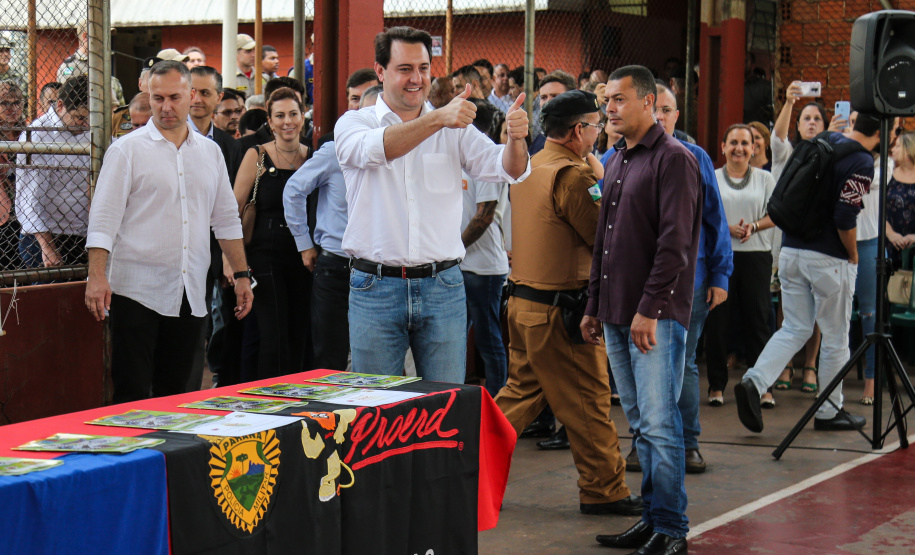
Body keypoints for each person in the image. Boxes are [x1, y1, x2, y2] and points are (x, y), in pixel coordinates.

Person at [334, 26, 530, 382]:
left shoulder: (454, 127)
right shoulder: (354, 123)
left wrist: (517, 139)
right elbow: (378, 148)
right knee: (376, 411)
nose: (416, 79)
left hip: (443, 287)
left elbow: (507, 169)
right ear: (380, 72)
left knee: (444, 410)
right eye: (405, 68)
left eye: (423, 68)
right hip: (375, 288)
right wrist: (438, 117)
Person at [494, 89, 641, 515]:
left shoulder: (532, 166)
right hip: (561, 312)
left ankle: (458, 463)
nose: (600, 132)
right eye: (595, 126)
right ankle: (605, 490)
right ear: (578, 131)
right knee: (589, 401)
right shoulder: (572, 176)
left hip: (525, 305)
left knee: (519, 394)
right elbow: (606, 238)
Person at [84, 60, 253, 403]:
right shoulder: (126, 151)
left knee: (177, 395)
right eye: (157, 98)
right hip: (135, 290)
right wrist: (96, 276)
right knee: (131, 392)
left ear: (190, 95)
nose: (165, 106)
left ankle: (171, 459)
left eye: (174, 97)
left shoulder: (210, 153)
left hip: (189, 290)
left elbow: (225, 218)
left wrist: (242, 274)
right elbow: (103, 219)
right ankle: (132, 457)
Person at [584, 65, 700, 554]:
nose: (609, 107)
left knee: (658, 422)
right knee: (640, 422)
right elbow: (603, 243)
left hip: (652, 316)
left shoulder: (674, 160)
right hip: (614, 311)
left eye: (620, 99)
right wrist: (594, 305)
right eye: (607, 99)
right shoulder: (615, 159)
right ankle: (651, 518)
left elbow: (675, 246)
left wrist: (649, 309)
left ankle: (671, 528)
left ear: (649, 102)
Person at [734, 114, 880, 434]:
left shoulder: (825, 139)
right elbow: (845, 215)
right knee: (835, 336)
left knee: (794, 328)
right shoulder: (861, 160)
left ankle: (754, 382)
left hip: (791, 250)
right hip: (828, 259)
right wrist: (853, 254)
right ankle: (829, 410)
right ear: (882, 131)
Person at [626, 82, 731, 476]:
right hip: (634, 288)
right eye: (655, 111)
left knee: (680, 366)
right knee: (642, 372)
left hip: (689, 283)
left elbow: (715, 221)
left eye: (667, 111)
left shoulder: (694, 157)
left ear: (676, 115)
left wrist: (719, 274)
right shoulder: (621, 155)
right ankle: (645, 444)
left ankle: (687, 443)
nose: (660, 118)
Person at [769, 83, 847, 393]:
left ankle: (810, 365)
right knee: (786, 307)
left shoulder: (832, 154)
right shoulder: (786, 154)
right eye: (806, 118)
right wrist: (789, 102)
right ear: (798, 126)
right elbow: (777, 138)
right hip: (783, 243)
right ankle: (786, 364)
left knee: (814, 307)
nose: (812, 122)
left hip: (817, 244)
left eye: (817, 118)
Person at [230, 87, 311, 378]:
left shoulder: (313, 156)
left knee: (300, 332)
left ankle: (299, 402)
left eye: (293, 114)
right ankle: (270, 404)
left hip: (304, 256)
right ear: (270, 120)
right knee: (273, 333)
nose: (287, 121)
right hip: (265, 254)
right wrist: (232, 261)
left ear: (303, 117)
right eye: (280, 116)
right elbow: (233, 208)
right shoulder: (258, 156)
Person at [702, 124, 777, 409]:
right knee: (718, 322)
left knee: (758, 321)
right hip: (721, 257)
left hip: (756, 255)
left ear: (754, 148)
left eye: (745, 143)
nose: (739, 148)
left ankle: (762, 385)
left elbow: (777, 214)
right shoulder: (712, 177)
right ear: (722, 147)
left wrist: (754, 227)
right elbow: (703, 214)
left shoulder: (765, 178)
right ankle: (717, 384)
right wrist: (725, 229)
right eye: (733, 142)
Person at [461, 99, 509, 398]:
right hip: (463, 264)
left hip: (485, 269)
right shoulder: (461, 154)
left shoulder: (487, 159)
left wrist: (454, 247)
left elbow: (485, 215)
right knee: (457, 336)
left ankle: (499, 400)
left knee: (488, 338)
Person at [16, 76, 91, 268]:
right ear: (60, 105)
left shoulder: (92, 129)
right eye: (80, 118)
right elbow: (29, 200)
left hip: (85, 234)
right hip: (44, 236)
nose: (86, 125)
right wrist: (47, 247)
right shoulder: (37, 135)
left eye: (91, 118)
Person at [57, 21, 125, 106]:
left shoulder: (102, 63)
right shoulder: (71, 66)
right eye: (102, 36)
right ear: (86, 36)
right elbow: (67, 101)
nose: (107, 40)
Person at [0, 81, 23, 269]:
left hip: (26, 205)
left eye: (16, 102)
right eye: (5, 103)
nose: (12, 108)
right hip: (4, 206)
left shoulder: (29, 132)